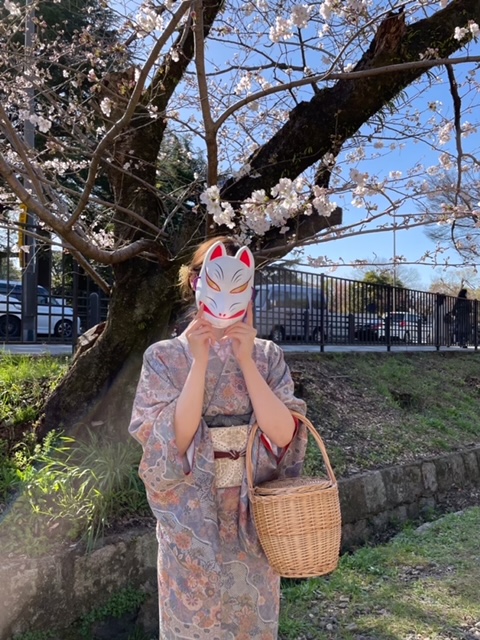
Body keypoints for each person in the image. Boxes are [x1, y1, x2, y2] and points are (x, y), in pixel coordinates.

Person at [129, 236, 307, 640]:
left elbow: (283, 433)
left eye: (239, 285)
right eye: (214, 279)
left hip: (252, 514)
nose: (227, 296)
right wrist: (198, 361)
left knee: (252, 622)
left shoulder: (266, 355)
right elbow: (173, 439)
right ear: (196, 281)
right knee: (193, 622)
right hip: (192, 515)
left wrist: (246, 361)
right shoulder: (163, 357)